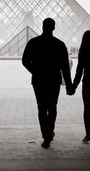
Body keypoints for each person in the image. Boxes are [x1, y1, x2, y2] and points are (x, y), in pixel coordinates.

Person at [21, 18, 74, 148]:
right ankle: (49, 131)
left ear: (42, 26)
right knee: (52, 107)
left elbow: (24, 61)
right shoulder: (59, 44)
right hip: (54, 80)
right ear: (54, 28)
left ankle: (46, 136)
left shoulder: (33, 43)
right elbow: (65, 67)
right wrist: (69, 84)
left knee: (42, 108)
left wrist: (35, 71)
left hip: (39, 81)